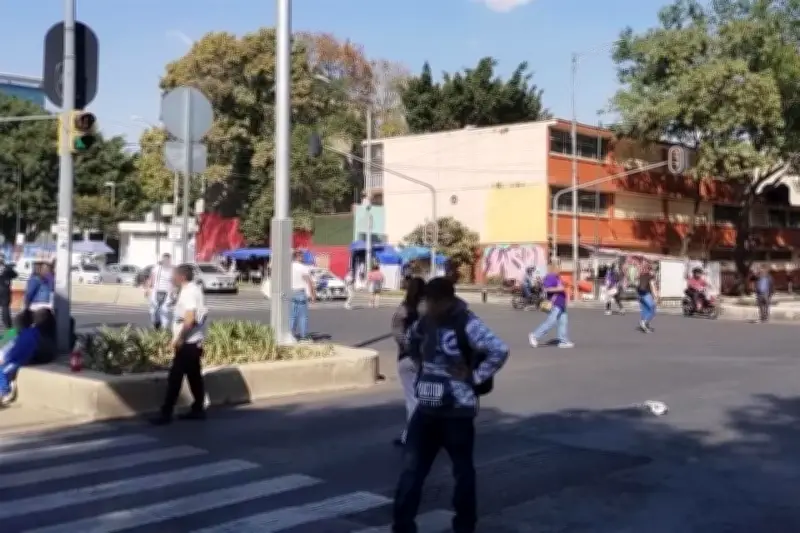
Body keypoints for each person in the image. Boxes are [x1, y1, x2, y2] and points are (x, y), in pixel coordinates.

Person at [392, 277, 509, 533]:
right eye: (426, 301)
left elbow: (498, 349)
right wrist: (422, 367)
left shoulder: (466, 322)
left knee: (463, 473)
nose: (428, 306)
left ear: (446, 300)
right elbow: (409, 341)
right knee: (411, 471)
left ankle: (464, 526)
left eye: (432, 301)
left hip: (457, 411)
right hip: (426, 409)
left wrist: (474, 376)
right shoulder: (425, 322)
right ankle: (402, 526)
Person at [151, 264, 209, 425]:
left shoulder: (189, 292)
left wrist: (180, 339)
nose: (172, 278)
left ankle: (166, 412)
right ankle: (198, 408)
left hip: (188, 342)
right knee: (194, 376)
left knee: (175, 377)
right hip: (194, 341)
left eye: (174, 275)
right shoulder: (193, 289)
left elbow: (189, 318)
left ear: (182, 277)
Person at [390, 276, 426, 447]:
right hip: (427, 359)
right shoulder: (428, 310)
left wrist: (411, 349)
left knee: (413, 400)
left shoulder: (403, 310)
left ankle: (412, 436)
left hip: (407, 358)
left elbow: (399, 336)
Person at [528, 262, 573, 348]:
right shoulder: (550, 277)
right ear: (554, 268)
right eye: (558, 267)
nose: (560, 269)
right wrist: (559, 289)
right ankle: (534, 335)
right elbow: (545, 288)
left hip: (561, 303)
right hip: (555, 303)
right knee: (551, 322)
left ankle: (563, 341)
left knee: (563, 322)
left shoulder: (557, 277)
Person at [0, 309, 39, 404]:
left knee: (2, 372)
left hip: (13, 360)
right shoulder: (32, 333)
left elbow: (12, 351)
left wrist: (4, 359)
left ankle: (4, 392)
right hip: (14, 359)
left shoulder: (20, 334)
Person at [290, 250, 316, 341]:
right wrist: (313, 295)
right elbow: (309, 281)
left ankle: (290, 334)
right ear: (298, 257)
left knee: (292, 316)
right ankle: (303, 336)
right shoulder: (303, 268)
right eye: (302, 256)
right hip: (300, 293)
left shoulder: (289, 267)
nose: (303, 257)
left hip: (291, 292)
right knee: (302, 316)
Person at [146, 253, 174, 329]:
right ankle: (156, 324)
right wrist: (148, 289)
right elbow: (151, 279)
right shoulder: (157, 268)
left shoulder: (172, 270)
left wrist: (173, 292)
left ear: (169, 260)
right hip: (156, 291)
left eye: (167, 260)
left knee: (164, 310)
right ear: (163, 259)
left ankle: (164, 329)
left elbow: (173, 282)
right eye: (165, 259)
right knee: (154, 311)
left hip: (167, 292)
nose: (166, 261)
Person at [636, 262, 659, 332]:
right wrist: (656, 296)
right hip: (646, 294)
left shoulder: (641, 274)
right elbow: (652, 286)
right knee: (652, 309)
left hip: (640, 294)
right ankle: (644, 323)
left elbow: (637, 284)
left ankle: (645, 325)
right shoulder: (651, 275)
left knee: (645, 310)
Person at [0, 255, 17, 328]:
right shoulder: (6, 268)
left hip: (3, 288)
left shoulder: (6, 268)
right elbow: (15, 275)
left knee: (5, 308)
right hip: (5, 289)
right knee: (5, 307)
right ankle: (8, 325)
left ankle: (7, 324)